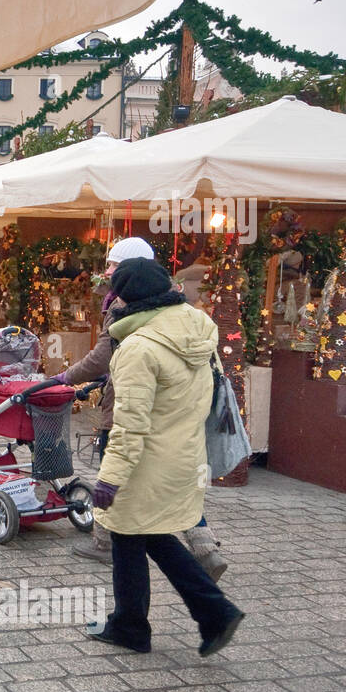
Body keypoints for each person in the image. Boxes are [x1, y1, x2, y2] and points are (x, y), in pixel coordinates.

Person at [85, 257, 244, 657]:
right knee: (145, 534)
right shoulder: (198, 328)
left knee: (131, 532)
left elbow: (131, 424)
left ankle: (193, 615)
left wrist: (110, 478)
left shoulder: (138, 348)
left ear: (125, 297)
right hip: (185, 456)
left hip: (145, 462)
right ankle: (147, 621)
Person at [55, 236, 227, 578]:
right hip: (180, 426)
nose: (106, 271)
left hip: (134, 403)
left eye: (113, 265)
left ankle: (105, 542)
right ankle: (205, 548)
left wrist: (65, 377)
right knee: (171, 488)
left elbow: (106, 357)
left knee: (116, 470)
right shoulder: (189, 317)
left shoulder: (127, 311)